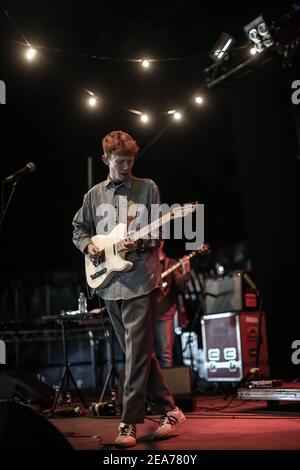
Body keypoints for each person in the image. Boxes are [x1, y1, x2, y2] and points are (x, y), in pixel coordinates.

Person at [72, 130, 186, 447]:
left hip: (140, 281)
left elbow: (159, 230)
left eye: (131, 160)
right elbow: (79, 229)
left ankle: (128, 422)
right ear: (106, 159)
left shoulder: (146, 188)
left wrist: (143, 239)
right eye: (120, 161)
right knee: (137, 354)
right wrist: (88, 247)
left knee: (135, 355)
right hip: (108, 284)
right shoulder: (94, 195)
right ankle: (170, 409)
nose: (126, 166)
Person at [155, 241, 191, 368]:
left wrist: (186, 270)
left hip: (165, 314)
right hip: (145, 314)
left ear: (162, 242)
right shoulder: (147, 265)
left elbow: (181, 287)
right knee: (146, 355)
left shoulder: (172, 264)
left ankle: (165, 387)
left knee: (166, 355)